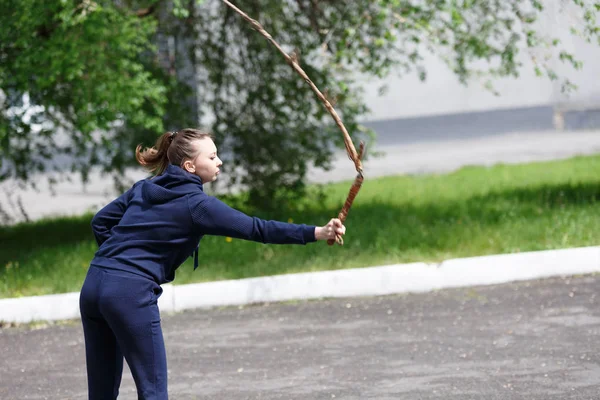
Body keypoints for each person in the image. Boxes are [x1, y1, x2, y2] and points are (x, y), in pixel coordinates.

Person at [79, 128, 346, 399]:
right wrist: (318, 232)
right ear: (190, 166)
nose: (219, 162)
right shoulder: (198, 206)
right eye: (213, 156)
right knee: (153, 391)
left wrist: (118, 261)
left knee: (101, 392)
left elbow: (100, 221)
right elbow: (257, 228)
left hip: (93, 285)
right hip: (128, 294)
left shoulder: (144, 188)